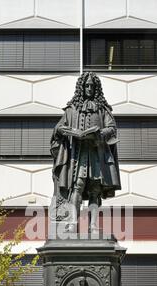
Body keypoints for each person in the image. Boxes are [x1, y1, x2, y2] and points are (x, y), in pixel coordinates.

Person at [50, 72, 121, 234]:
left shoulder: (102, 109)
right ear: (81, 87)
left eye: (92, 86)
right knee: (77, 187)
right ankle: (72, 223)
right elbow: (58, 128)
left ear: (96, 88)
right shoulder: (72, 109)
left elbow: (112, 129)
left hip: (97, 154)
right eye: (86, 85)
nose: (89, 88)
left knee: (95, 189)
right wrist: (64, 130)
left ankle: (93, 225)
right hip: (78, 154)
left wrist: (100, 134)